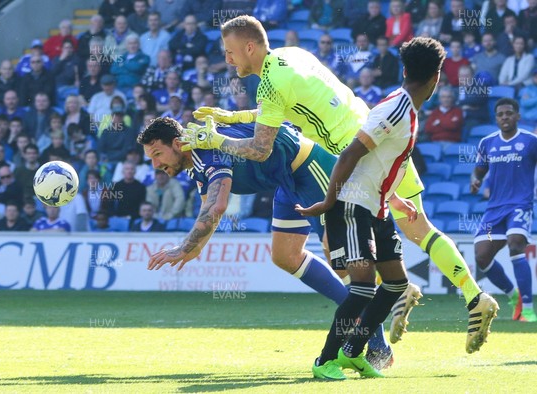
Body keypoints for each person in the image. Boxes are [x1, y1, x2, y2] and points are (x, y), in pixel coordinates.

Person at [185, 17, 497, 355]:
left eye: (230, 52)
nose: (228, 60)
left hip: (358, 154)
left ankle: (367, 332)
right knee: (416, 227)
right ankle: (463, 296)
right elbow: (277, 110)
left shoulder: (271, 83)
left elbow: (260, 148)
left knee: (348, 250)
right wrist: (232, 118)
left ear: (249, 47)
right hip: (376, 131)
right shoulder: (292, 55)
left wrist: (215, 139)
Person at [295, 37, 496, 380]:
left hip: (377, 207)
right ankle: (324, 360)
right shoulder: (397, 108)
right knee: (362, 287)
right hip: (353, 205)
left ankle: (353, 353)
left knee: (394, 284)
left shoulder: (406, 111)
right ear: (437, 78)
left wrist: (395, 199)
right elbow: (350, 154)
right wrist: (330, 201)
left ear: (405, 70)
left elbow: (380, 162)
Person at [141, 117, 393, 369]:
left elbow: (217, 206)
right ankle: (360, 315)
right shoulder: (195, 161)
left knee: (342, 263)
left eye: (157, 154)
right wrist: (192, 248)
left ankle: (378, 344)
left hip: (310, 169)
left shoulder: (206, 151)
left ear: (177, 143)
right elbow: (210, 209)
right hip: (286, 181)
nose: (155, 164)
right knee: (285, 256)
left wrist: (184, 247)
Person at [471, 98, 537, 323]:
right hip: (495, 210)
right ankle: (514, 296)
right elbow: (480, 169)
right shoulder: (487, 143)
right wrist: (475, 180)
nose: (505, 117)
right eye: (500, 114)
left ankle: (527, 309)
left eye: (509, 113)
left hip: (520, 205)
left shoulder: (530, 141)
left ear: (517, 116)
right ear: (496, 118)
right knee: (481, 256)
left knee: (516, 244)